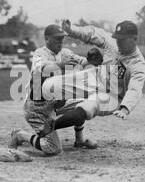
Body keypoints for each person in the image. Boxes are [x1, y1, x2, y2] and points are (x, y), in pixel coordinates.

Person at [38, 19, 145, 137]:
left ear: (135, 39)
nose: (119, 42)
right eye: (117, 38)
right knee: (49, 86)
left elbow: (135, 89)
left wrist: (125, 108)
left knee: (87, 108)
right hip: (95, 78)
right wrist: (71, 30)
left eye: (123, 39)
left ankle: (53, 125)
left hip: (112, 96)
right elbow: (91, 34)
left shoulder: (138, 64)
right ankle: (53, 108)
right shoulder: (112, 43)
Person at [8, 24, 97, 156]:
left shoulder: (65, 53)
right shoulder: (40, 53)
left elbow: (83, 62)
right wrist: (62, 65)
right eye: (57, 39)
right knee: (53, 148)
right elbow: (41, 70)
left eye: (61, 38)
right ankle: (21, 136)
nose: (60, 42)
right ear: (46, 39)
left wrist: (93, 60)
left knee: (83, 104)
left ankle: (80, 139)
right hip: (37, 108)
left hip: (54, 105)